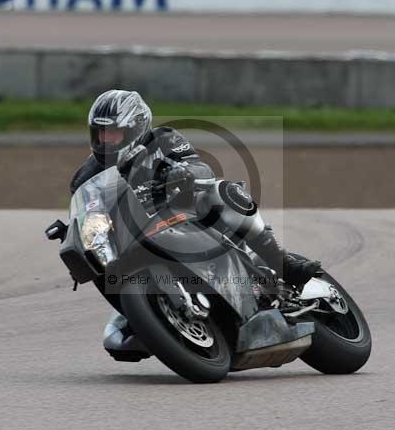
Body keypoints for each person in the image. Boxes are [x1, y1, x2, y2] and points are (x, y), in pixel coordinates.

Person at [70, 89, 323, 360]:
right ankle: (145, 313)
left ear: (136, 128)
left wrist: (183, 173)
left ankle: (283, 262)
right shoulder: (88, 174)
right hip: (136, 238)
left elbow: (200, 167)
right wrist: (72, 231)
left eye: (114, 133)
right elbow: (88, 209)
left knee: (222, 190)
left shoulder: (163, 139)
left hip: (186, 217)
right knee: (108, 311)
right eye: (100, 133)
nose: (105, 140)